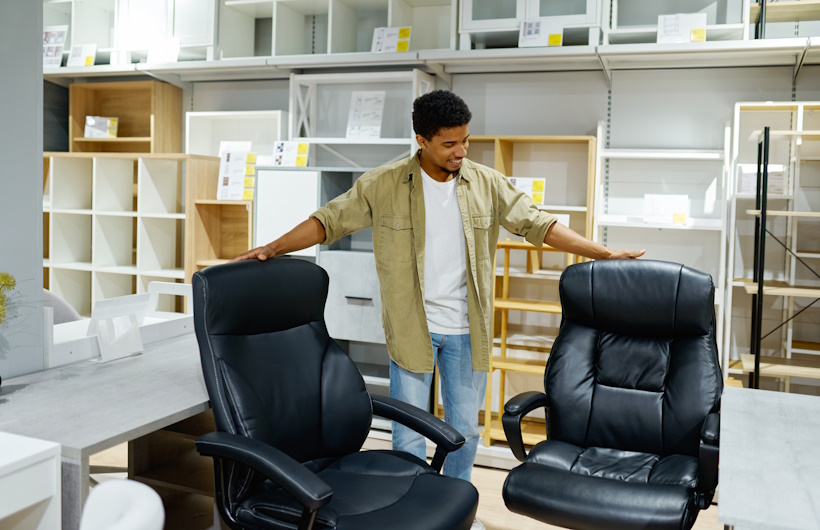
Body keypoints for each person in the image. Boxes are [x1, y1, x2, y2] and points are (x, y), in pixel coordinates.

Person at [235, 90, 644, 530]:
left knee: (465, 430)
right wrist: (273, 247)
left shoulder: (486, 183)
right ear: (422, 140)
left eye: (465, 140)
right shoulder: (383, 184)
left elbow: (539, 224)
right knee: (408, 433)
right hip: (412, 327)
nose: (460, 151)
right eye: (449, 143)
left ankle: (457, 510)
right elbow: (328, 221)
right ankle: (407, 511)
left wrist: (602, 253)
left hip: (468, 329)